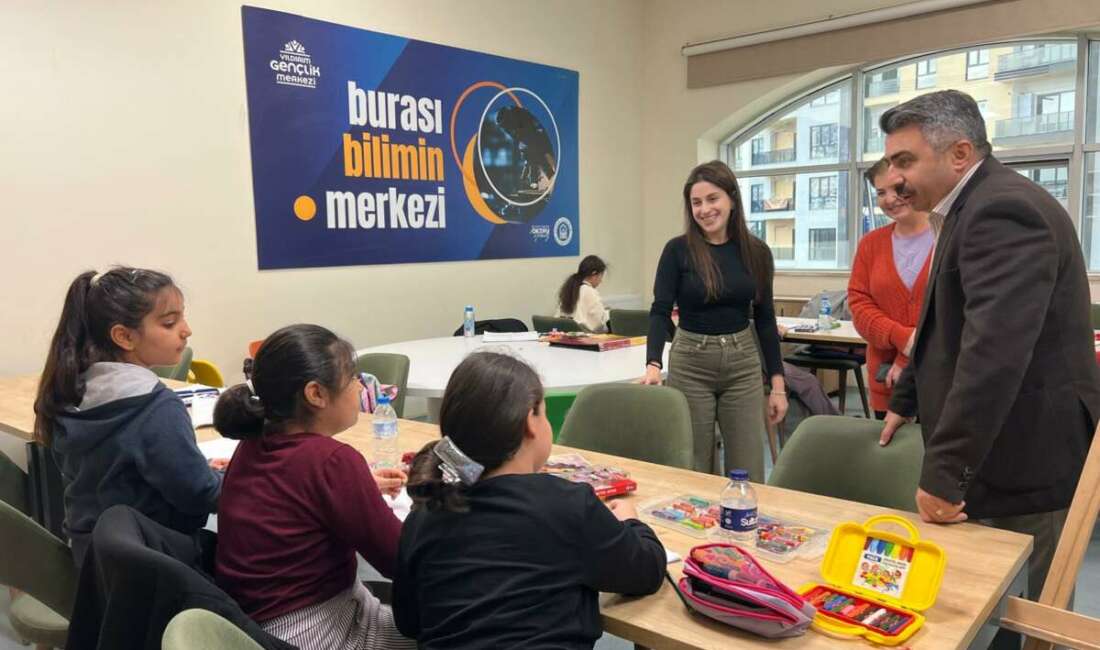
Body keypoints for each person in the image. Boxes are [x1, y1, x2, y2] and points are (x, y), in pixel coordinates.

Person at [876, 90, 1100, 605]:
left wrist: (944, 474)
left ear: (959, 154)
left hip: (1031, 449)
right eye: (891, 163)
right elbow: (943, 321)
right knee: (991, 601)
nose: (895, 179)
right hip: (1000, 442)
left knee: (1034, 610)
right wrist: (906, 399)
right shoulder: (967, 207)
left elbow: (992, 355)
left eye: (905, 161)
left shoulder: (1002, 210)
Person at [394, 351, 665, 649]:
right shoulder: (566, 505)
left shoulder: (426, 513)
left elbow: (409, 622)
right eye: (544, 413)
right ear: (530, 422)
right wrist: (631, 522)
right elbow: (647, 571)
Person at [214, 324, 413, 649]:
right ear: (316, 394)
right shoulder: (333, 461)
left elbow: (295, 496)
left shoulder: (253, 443)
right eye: (352, 378)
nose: (359, 387)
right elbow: (402, 560)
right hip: (317, 632)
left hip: (258, 628)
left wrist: (360, 487)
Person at [32, 267, 221, 566]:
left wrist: (199, 469)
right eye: (170, 322)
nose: (186, 330)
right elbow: (200, 494)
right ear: (124, 336)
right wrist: (234, 477)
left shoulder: (71, 394)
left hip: (90, 557)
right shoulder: (155, 407)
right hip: (152, 564)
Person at [642, 160, 787, 479]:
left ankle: (742, 514)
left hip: (743, 362)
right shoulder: (677, 251)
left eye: (712, 199)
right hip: (691, 363)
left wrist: (778, 385)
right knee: (695, 466)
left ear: (732, 199)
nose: (705, 209)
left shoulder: (757, 252)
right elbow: (660, 310)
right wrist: (653, 363)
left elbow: (765, 319)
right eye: (696, 202)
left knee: (747, 467)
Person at [848, 159, 933, 419]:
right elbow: (859, 305)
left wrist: (907, 357)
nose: (889, 199)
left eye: (897, 188)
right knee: (888, 444)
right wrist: (900, 337)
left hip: (939, 379)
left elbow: (953, 309)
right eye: (881, 192)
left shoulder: (949, 237)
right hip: (887, 381)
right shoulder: (871, 244)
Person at [555, 255, 610, 332]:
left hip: (563, 333)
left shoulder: (570, 288)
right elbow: (598, 324)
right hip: (583, 336)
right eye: (601, 276)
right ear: (594, 274)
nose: (601, 281)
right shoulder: (589, 291)